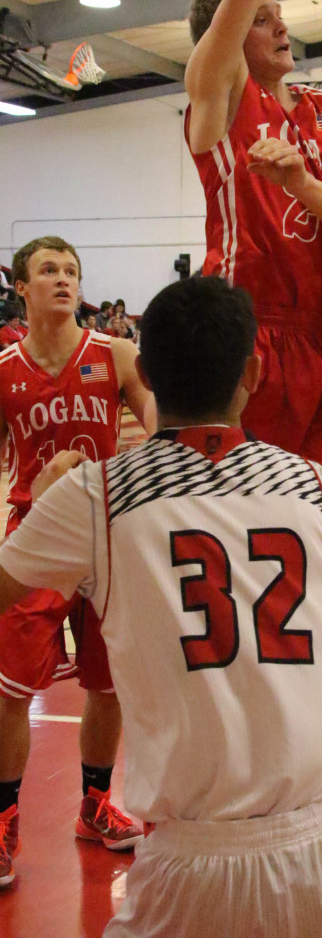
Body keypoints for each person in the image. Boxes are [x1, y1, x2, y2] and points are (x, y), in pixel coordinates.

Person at [0, 276, 322, 938]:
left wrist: (46, 491)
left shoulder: (96, 496)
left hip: (198, 864)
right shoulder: (311, 483)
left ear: (142, 371)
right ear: (254, 373)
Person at [184, 0, 322, 487]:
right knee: (243, 504)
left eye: (281, 16)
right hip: (249, 323)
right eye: (260, 20)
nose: (281, 28)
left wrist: (301, 186)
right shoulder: (221, 93)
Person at [0, 237, 153, 887]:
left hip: (109, 531)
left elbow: (159, 424)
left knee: (107, 683)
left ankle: (94, 803)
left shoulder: (117, 354)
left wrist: (145, 439)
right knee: (10, 691)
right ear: (22, 288)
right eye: (48, 271)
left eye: (71, 271)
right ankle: (5, 817)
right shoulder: (3, 367)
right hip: (35, 532)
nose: (63, 280)